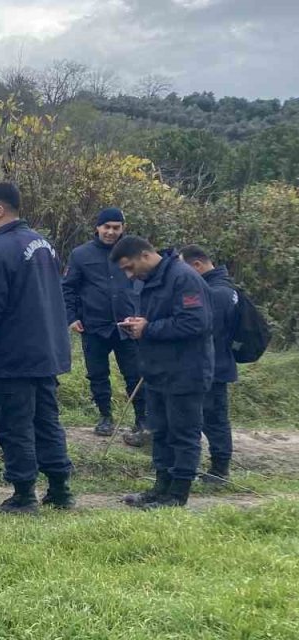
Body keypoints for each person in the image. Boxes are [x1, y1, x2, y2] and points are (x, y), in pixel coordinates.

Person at [0, 182, 75, 514]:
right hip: (47, 352)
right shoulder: (43, 244)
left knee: (15, 424)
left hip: (12, 355)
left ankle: (24, 494)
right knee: (46, 421)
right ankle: (59, 490)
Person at [111, 236, 213, 509]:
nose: (129, 275)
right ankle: (160, 489)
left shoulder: (183, 277)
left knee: (183, 434)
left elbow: (195, 323)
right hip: (158, 370)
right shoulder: (150, 281)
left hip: (185, 371)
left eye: (129, 267)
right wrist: (138, 325)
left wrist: (149, 328)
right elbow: (159, 318)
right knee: (161, 433)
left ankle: (177, 495)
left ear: (145, 255)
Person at [62, 208, 145, 438]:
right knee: (97, 374)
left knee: (135, 374)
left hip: (127, 326)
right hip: (93, 326)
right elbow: (67, 288)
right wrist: (71, 317)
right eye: (106, 227)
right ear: (97, 227)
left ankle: (142, 420)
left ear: (122, 229)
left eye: (115, 227)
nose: (110, 232)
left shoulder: (134, 253)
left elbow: (146, 285)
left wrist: (141, 315)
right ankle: (105, 417)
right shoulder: (80, 255)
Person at [178, 244, 237, 487]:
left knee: (214, 418)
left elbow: (203, 329)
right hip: (216, 362)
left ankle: (220, 469)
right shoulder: (224, 288)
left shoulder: (216, 293)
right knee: (209, 417)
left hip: (214, 365)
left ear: (197, 266)